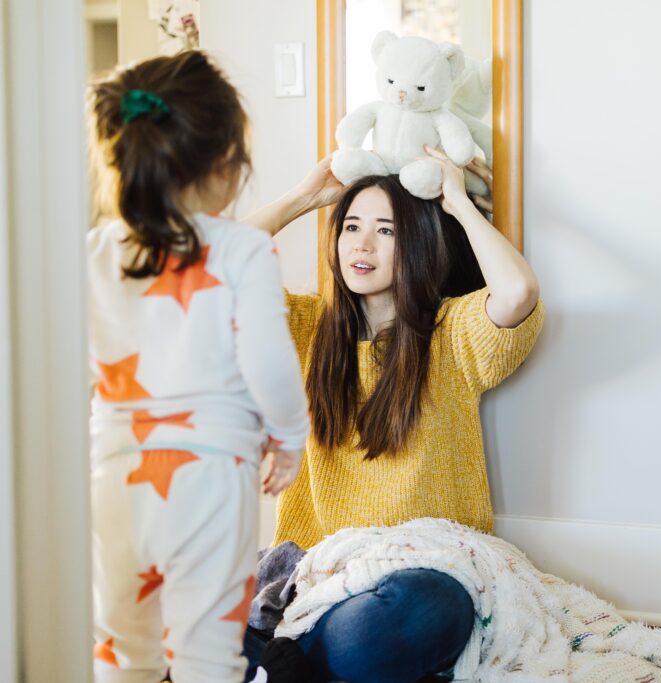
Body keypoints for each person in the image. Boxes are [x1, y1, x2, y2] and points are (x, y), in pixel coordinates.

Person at [242, 148, 543, 683]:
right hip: (316, 571)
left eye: (386, 230)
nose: (361, 243)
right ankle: (295, 664)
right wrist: (305, 198)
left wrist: (458, 204)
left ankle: (276, 664)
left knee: (408, 616)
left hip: (420, 567)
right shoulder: (306, 327)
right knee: (188, 608)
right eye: (352, 226)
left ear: (420, 242)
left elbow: (517, 291)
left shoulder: (453, 335)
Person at [87, 50, 308, 683]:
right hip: (211, 476)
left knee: (123, 649)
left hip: (114, 479)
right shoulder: (240, 248)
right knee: (207, 653)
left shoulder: (94, 253)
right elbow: (268, 359)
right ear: (224, 165)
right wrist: (289, 438)